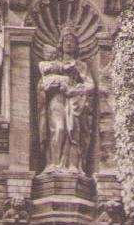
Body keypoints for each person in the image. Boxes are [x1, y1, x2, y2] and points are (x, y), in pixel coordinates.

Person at [37, 26, 94, 174]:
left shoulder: (81, 65)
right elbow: (43, 82)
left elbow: (90, 85)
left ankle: (73, 165)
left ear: (76, 45)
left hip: (74, 101)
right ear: (61, 44)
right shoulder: (52, 64)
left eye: (72, 41)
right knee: (59, 128)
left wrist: (73, 90)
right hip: (56, 98)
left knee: (73, 131)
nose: (69, 43)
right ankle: (54, 164)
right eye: (66, 40)